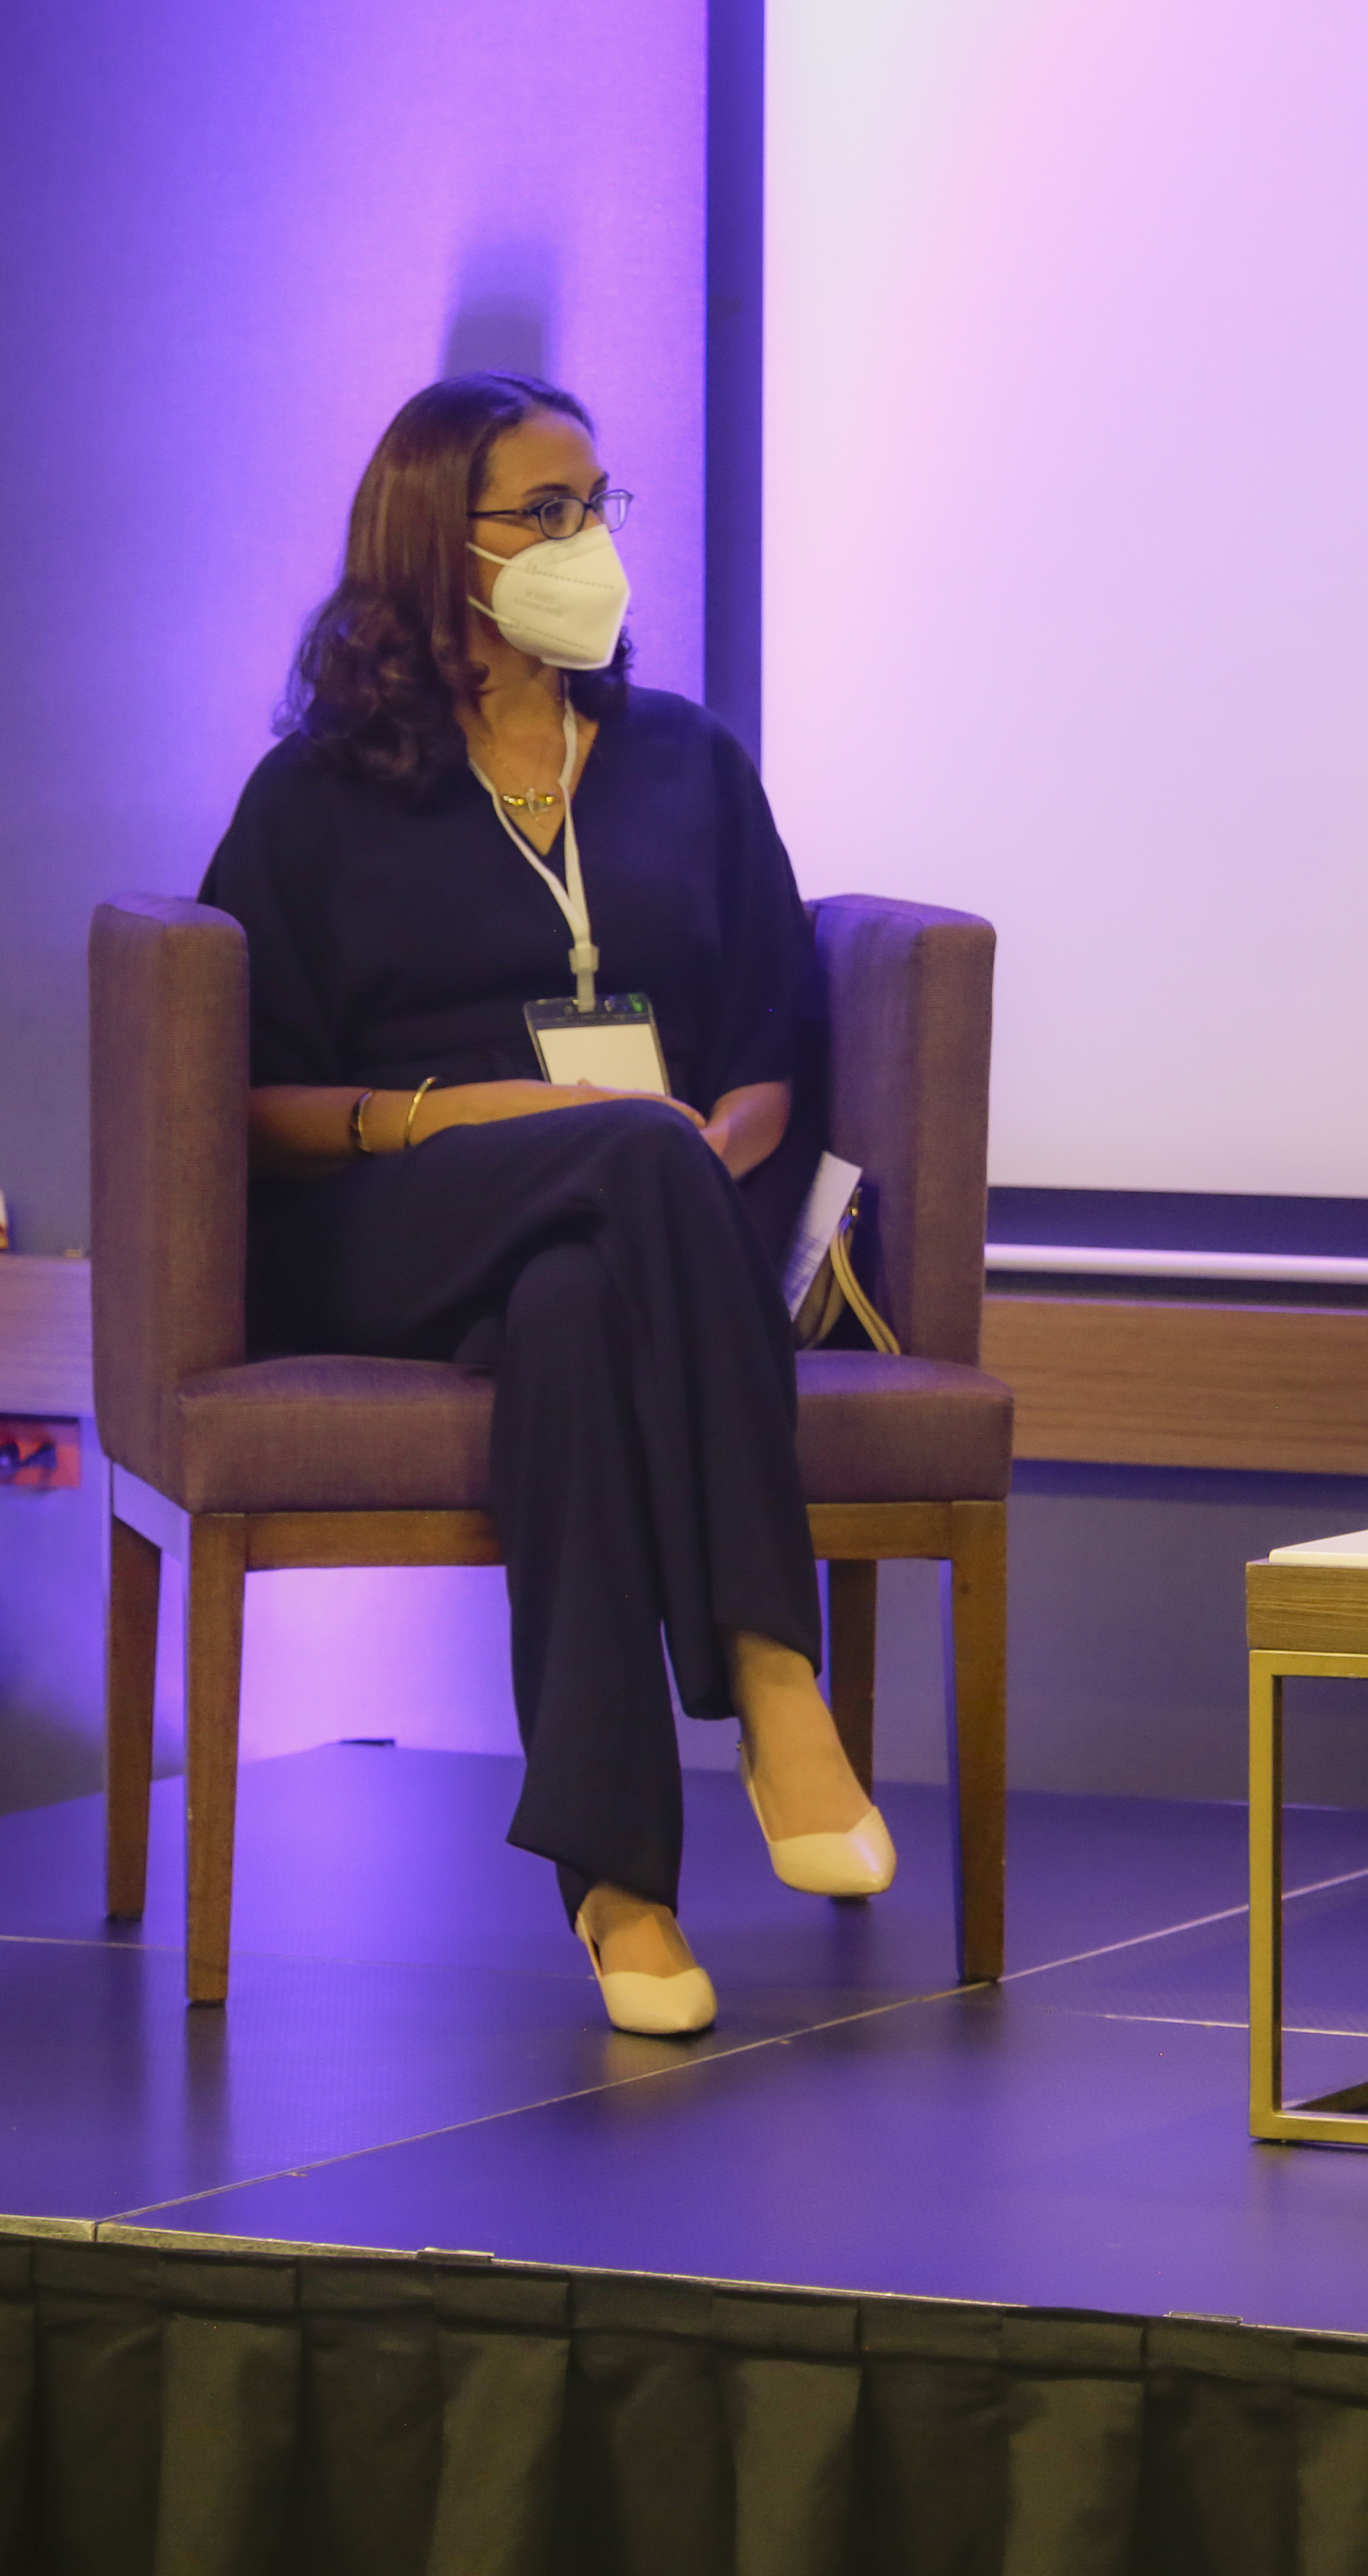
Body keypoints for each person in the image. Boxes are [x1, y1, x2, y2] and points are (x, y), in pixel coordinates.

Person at [200, 372, 893, 2039]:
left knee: (582, 1302)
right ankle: (770, 1671)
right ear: (438, 543)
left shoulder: (686, 764)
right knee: (626, 1159)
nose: (590, 539)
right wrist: (459, 1112)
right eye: (548, 510)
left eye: (599, 504)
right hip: (389, 1212)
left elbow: (773, 1042)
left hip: (641, 1213)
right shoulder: (318, 796)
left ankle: (618, 1883)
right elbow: (246, 1103)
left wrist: (714, 1136)